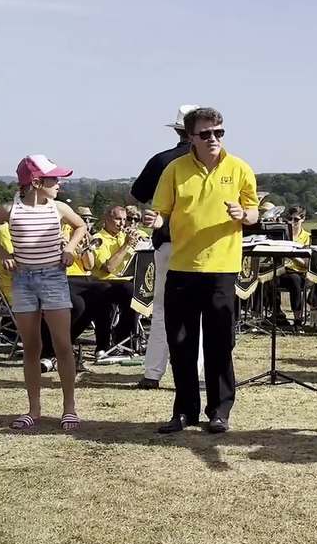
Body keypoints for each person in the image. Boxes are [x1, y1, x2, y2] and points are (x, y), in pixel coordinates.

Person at [144, 106, 258, 434]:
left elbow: (253, 213)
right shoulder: (175, 170)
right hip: (181, 266)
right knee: (181, 342)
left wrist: (243, 215)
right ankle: (184, 412)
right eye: (206, 133)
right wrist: (156, 220)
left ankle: (219, 411)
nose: (213, 139)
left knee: (220, 343)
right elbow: (162, 212)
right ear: (191, 137)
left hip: (222, 268)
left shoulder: (239, 169)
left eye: (219, 132)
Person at [0, 155, 88, 431]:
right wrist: (3, 254)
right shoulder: (9, 209)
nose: (59, 184)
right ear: (36, 182)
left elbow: (81, 226)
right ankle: (33, 409)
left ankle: (69, 408)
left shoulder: (59, 208)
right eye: (54, 179)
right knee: (31, 347)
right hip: (23, 279)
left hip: (53, 277)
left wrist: (70, 248)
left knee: (62, 344)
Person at [129, 105, 205, 390]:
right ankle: (196, 375)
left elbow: (136, 195)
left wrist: (157, 214)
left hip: (167, 241)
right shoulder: (213, 161)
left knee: (161, 309)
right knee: (197, 312)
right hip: (200, 247)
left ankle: (152, 373)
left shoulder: (161, 160)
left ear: (177, 130)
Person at [90, 205, 141, 355]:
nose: (122, 223)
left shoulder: (123, 236)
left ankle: (128, 340)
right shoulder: (98, 239)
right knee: (128, 289)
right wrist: (126, 245)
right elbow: (109, 267)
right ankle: (118, 338)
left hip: (125, 281)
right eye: (118, 219)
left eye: (124, 220)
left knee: (139, 290)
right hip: (104, 282)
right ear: (107, 219)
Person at [275, 205, 311, 327]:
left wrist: (291, 255)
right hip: (281, 271)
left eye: (296, 220)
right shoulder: (282, 236)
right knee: (267, 277)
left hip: (298, 273)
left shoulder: (307, 237)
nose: (292, 222)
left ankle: (297, 318)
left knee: (294, 279)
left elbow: (307, 264)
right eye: (289, 219)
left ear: (303, 219)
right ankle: (276, 314)